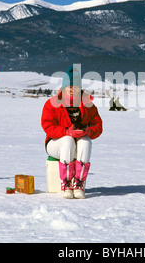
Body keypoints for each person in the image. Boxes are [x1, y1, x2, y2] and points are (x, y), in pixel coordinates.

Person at [41, 65, 103, 199]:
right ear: (63, 87)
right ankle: (66, 183)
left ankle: (79, 183)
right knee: (67, 141)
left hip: (78, 142)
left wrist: (88, 131)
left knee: (86, 141)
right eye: (68, 86)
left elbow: (98, 126)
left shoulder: (88, 105)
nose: (71, 89)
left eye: (74, 86)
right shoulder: (52, 104)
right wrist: (66, 132)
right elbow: (47, 126)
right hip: (55, 143)